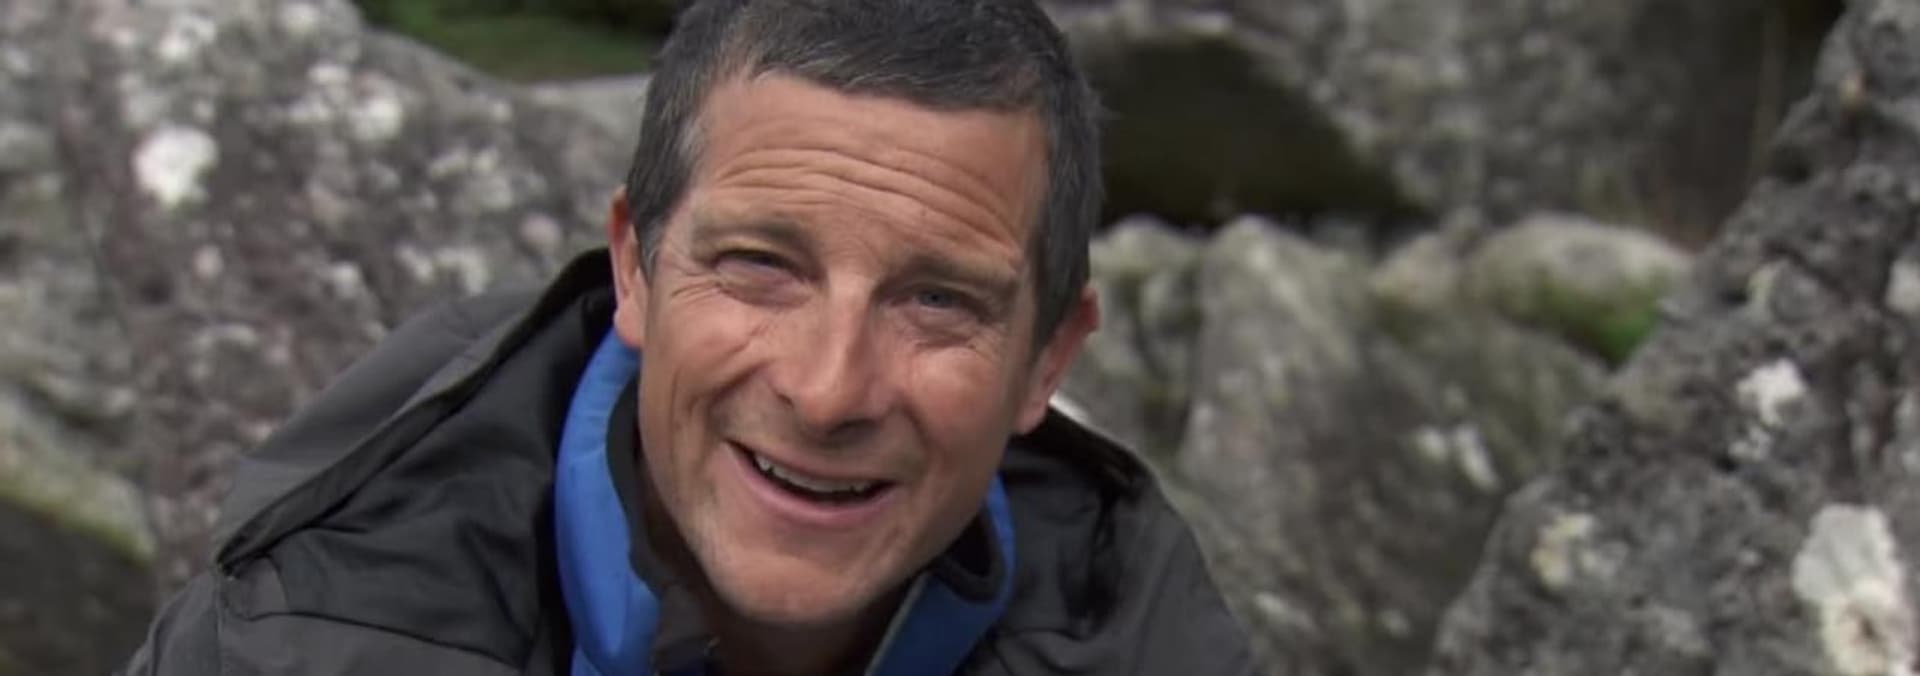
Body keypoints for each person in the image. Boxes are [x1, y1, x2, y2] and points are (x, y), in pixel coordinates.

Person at [120, 0, 1256, 674]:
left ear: (1049, 358)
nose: (827, 390)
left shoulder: (1146, 647)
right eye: (761, 266)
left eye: (938, 302)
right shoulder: (299, 643)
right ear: (635, 266)